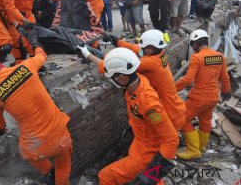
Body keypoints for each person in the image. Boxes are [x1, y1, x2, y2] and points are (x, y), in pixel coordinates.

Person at [0, 30, 71, 185]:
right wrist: (35, 43)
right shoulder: (26, 67)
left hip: (35, 148)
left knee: (25, 152)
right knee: (64, 166)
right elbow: (41, 56)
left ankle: (49, 172)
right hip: (61, 135)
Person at [76, 45, 178, 184]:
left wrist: (152, 175)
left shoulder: (149, 105)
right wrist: (87, 54)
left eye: (113, 78)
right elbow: (110, 67)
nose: (111, 80)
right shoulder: (135, 79)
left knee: (105, 176)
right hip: (139, 144)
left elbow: (171, 139)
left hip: (147, 154)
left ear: (122, 78)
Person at [102, 30, 186, 131]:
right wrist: (117, 42)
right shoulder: (159, 54)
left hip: (170, 113)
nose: (141, 49)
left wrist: (98, 55)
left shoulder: (150, 62)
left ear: (148, 51)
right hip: (175, 107)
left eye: (143, 48)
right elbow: (136, 49)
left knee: (166, 139)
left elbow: (121, 66)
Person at [175, 29, 231, 160]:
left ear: (196, 44)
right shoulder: (219, 56)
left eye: (192, 45)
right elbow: (225, 78)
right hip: (213, 97)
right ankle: (201, 146)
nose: (192, 47)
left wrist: (172, 88)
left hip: (198, 97)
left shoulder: (197, 57)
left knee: (183, 119)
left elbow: (188, 79)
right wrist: (226, 91)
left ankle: (193, 150)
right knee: (205, 120)